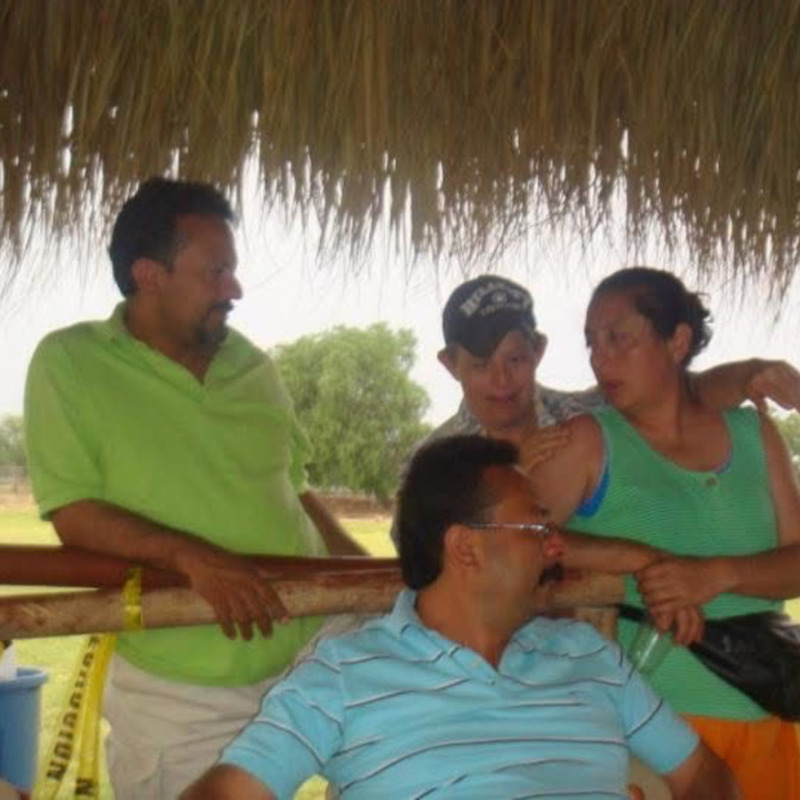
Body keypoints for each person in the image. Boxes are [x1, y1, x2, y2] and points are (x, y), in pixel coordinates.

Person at [23, 178, 365, 800]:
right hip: (185, 682)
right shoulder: (70, 363)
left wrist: (369, 577)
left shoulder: (253, 365)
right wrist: (194, 559)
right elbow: (74, 512)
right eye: (216, 272)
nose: (234, 289)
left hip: (314, 647)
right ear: (149, 275)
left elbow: (295, 491)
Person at [182, 435, 738, 799]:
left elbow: (704, 777)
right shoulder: (344, 675)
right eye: (536, 528)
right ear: (466, 548)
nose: (555, 546)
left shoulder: (588, 653)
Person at [526, 267, 800, 797]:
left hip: (767, 717)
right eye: (591, 342)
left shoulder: (755, 433)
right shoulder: (586, 441)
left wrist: (715, 576)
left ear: (677, 341)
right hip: (649, 735)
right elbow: (513, 536)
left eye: (618, 338)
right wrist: (637, 558)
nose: (599, 358)